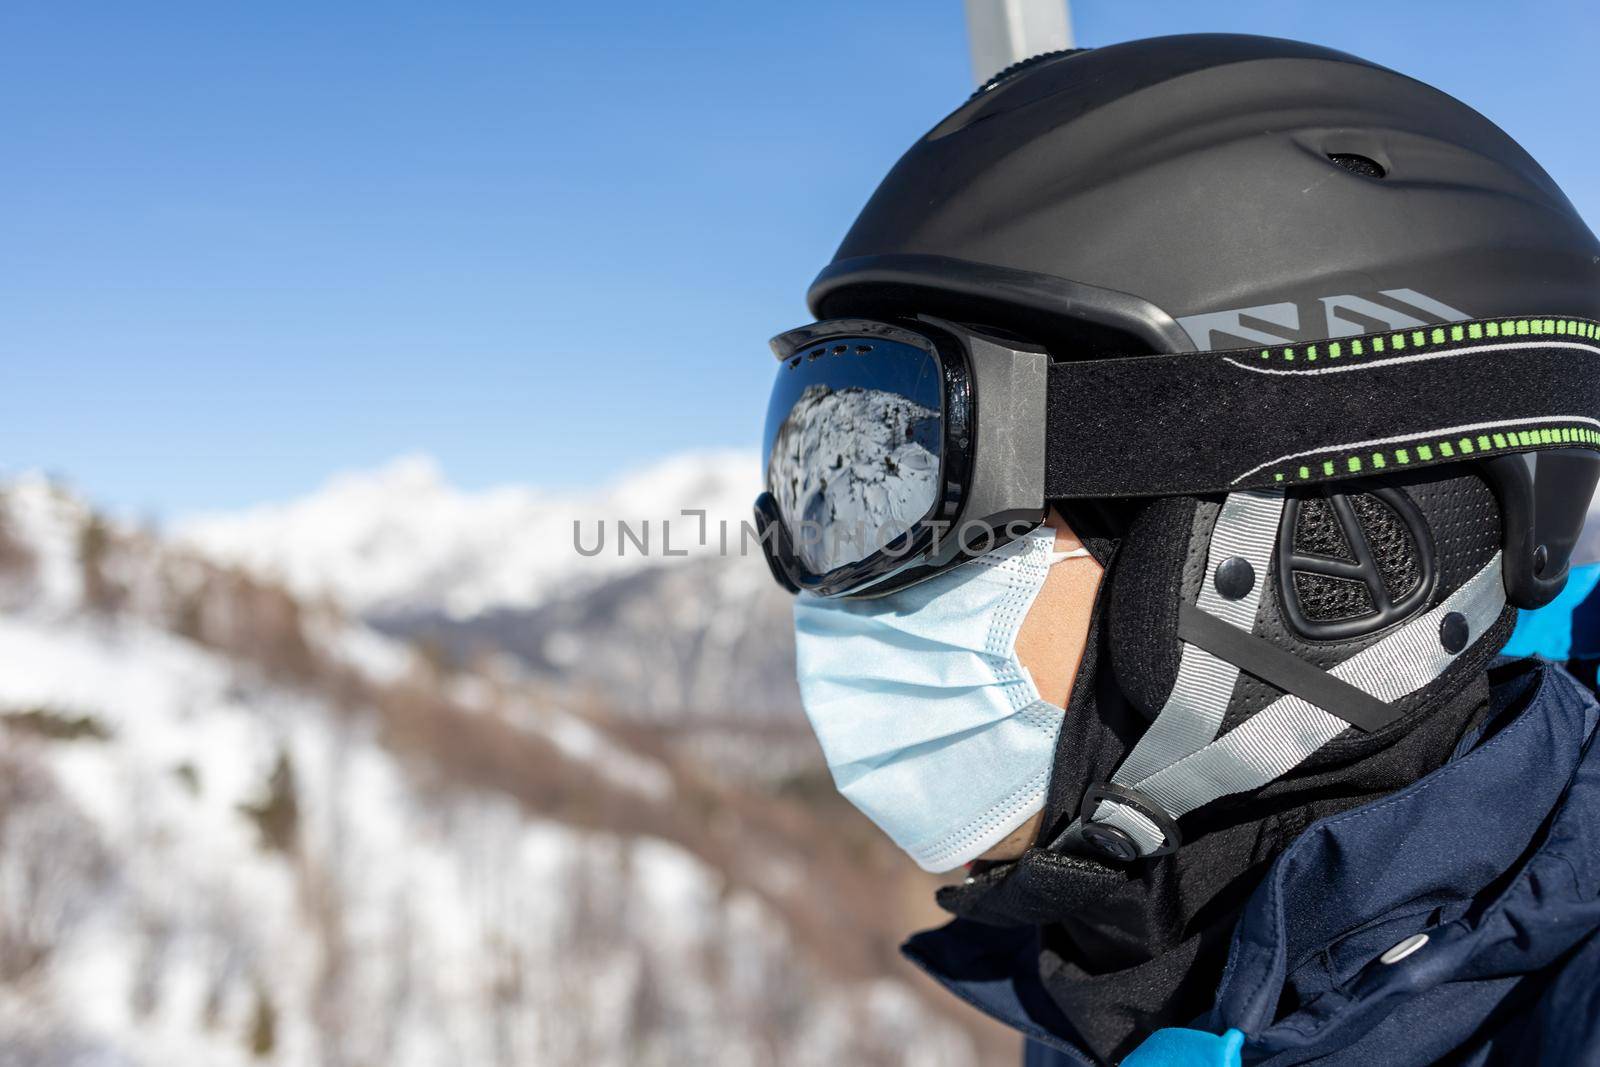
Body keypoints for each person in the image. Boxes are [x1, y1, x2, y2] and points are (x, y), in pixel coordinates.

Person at [753, 35, 1600, 1067]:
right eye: (820, 484)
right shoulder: (1120, 982)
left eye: (914, 493)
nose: (832, 587)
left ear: (1339, 563)